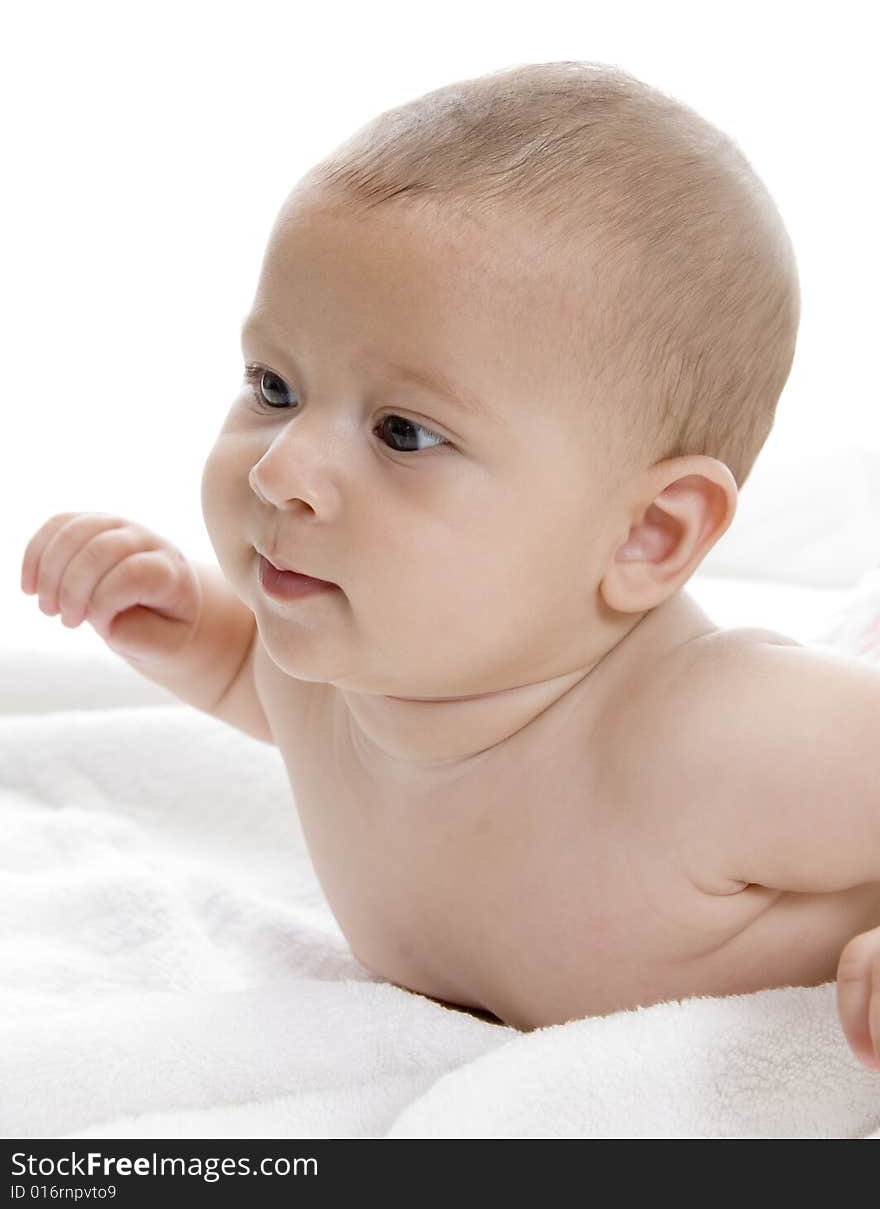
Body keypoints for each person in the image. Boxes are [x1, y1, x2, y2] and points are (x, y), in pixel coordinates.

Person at [21, 60, 880, 1071]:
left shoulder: (713, 735)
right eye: (274, 384)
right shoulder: (336, 669)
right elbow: (253, 678)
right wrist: (179, 626)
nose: (283, 468)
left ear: (647, 533)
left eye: (402, 432)